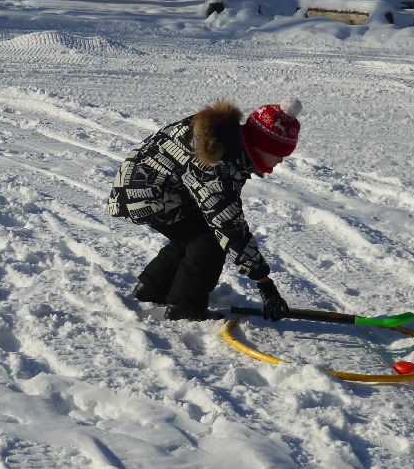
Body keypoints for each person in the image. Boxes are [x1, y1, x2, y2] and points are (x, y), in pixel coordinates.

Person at [109, 99, 302, 321]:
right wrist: (263, 281)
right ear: (260, 145)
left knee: (193, 232)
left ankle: (154, 287)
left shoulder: (225, 138)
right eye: (278, 153)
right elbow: (228, 225)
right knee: (210, 238)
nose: (280, 161)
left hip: (149, 187)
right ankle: (185, 307)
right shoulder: (217, 160)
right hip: (143, 194)